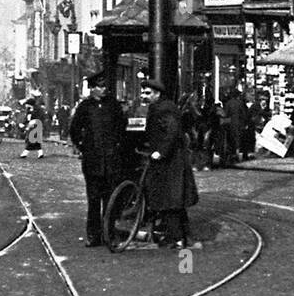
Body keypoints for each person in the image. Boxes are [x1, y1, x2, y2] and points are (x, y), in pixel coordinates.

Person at [69, 72, 131, 247]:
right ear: (92, 89)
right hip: (93, 162)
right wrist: (83, 147)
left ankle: (109, 234)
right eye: (99, 86)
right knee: (94, 200)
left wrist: (117, 146)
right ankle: (93, 235)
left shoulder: (113, 106)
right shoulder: (85, 107)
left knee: (111, 200)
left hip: (111, 161)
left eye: (104, 86)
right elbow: (74, 129)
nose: (103, 89)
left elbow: (122, 127)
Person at [142, 77, 198, 249]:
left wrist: (161, 152)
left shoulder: (165, 109)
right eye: (143, 92)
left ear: (157, 94)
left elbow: (172, 132)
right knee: (173, 200)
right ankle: (181, 236)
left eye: (147, 93)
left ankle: (177, 239)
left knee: (170, 200)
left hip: (171, 162)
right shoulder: (159, 107)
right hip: (168, 161)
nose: (144, 96)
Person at [224, 89, 248, 167]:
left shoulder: (228, 104)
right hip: (239, 124)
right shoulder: (240, 103)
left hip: (230, 124)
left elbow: (226, 114)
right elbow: (243, 114)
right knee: (237, 139)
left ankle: (232, 155)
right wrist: (244, 124)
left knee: (231, 140)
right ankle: (237, 155)